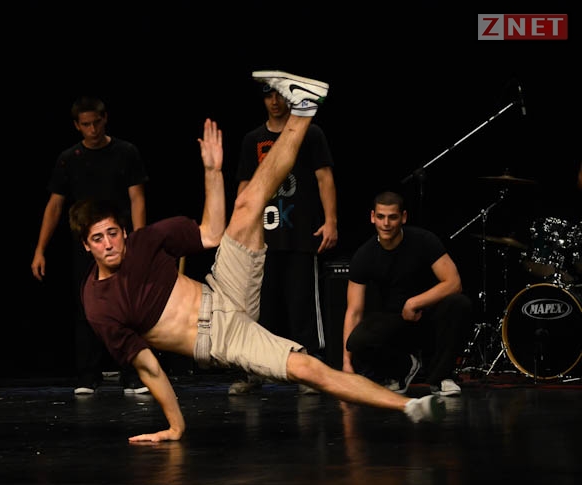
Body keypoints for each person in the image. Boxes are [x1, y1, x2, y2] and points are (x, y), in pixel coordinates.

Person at [68, 71, 446, 443]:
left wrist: (213, 172)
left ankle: (304, 108)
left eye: (113, 233)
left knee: (248, 202)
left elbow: (211, 234)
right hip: (221, 338)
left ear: (123, 230)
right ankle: (410, 406)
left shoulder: (144, 242)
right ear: (87, 246)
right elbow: (149, 368)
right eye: (98, 239)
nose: (109, 243)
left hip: (221, 289)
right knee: (308, 369)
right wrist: (176, 425)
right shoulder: (99, 304)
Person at [31, 95, 149, 395]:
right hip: (86, 246)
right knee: (86, 307)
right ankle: (87, 374)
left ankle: (133, 373)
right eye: (86, 125)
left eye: (97, 122)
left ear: (105, 118)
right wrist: (40, 249)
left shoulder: (125, 152)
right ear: (77, 126)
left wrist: (139, 239)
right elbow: (54, 205)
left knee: (128, 305)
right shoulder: (69, 158)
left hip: (119, 240)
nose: (93, 129)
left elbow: (137, 198)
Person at [228, 79, 338, 395]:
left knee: (301, 304)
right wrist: (238, 227)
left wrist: (331, 221)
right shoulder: (253, 139)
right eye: (268, 96)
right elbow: (244, 184)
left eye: (280, 95)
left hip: (300, 232)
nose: (275, 102)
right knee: (258, 306)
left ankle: (310, 370)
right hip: (262, 237)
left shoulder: (310, 133)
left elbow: (324, 177)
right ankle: (254, 369)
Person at [342, 191, 472, 397]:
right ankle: (402, 370)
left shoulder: (424, 240)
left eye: (392, 217)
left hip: (429, 317)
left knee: (459, 304)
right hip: (396, 323)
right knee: (357, 341)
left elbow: (454, 282)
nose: (386, 223)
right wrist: (346, 363)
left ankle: (441, 378)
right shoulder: (364, 255)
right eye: (381, 217)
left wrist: (415, 302)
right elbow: (354, 311)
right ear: (372, 217)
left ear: (403, 217)